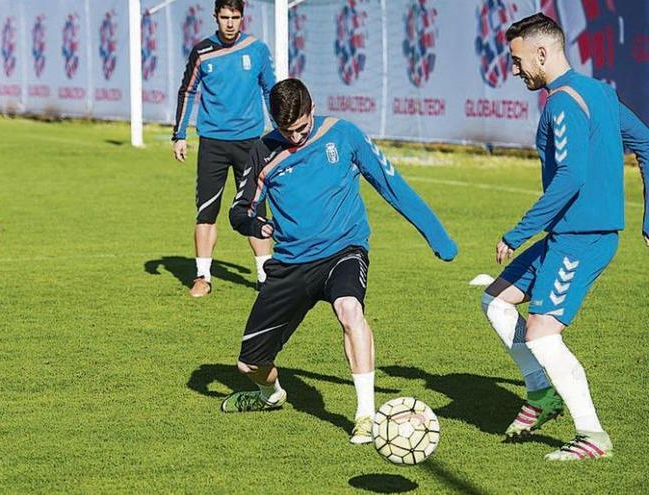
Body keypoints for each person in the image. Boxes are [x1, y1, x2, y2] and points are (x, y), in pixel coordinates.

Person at [223, 79, 457, 445]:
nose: (296, 137)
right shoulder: (264, 152)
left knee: (350, 310)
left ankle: (366, 415)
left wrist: (436, 235)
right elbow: (239, 211)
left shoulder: (343, 134)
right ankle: (271, 395)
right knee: (249, 364)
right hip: (291, 263)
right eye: (287, 131)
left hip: (343, 250)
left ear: (312, 109)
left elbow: (391, 184)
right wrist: (257, 223)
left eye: (301, 127)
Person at [482, 13, 649, 461]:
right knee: (495, 300)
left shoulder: (561, 103)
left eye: (518, 62)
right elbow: (647, 142)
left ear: (543, 52)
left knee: (541, 335)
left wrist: (515, 233)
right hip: (567, 234)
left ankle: (593, 436)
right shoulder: (600, 92)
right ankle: (541, 395)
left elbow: (571, 177)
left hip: (583, 237)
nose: (515, 71)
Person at [172, 0, 274, 297]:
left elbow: (271, 90)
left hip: (251, 143)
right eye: (225, 17)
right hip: (213, 143)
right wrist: (179, 134)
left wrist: (279, 133)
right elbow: (187, 90)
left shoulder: (257, 49)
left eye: (236, 17)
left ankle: (264, 276)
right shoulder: (202, 51)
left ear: (243, 18)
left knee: (255, 210)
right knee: (206, 211)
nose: (230, 23)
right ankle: (203, 277)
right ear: (215, 17)